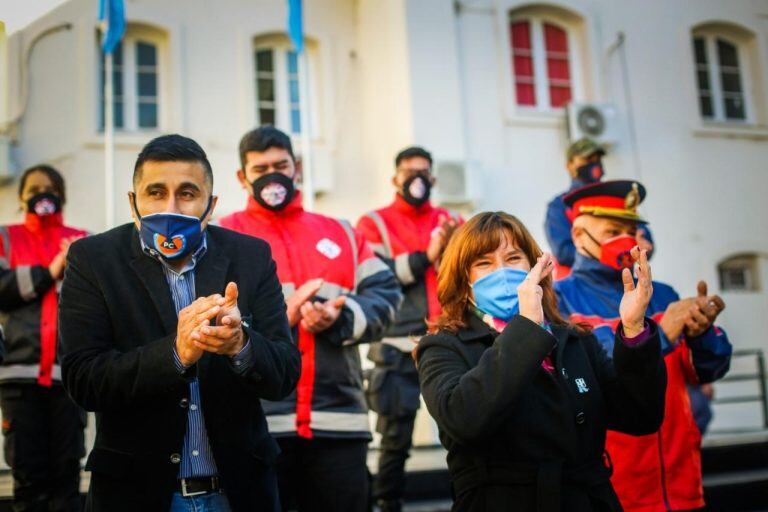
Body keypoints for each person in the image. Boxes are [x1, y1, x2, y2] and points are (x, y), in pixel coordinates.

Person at [58, 134, 301, 511]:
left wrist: (241, 344)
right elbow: (83, 381)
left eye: (187, 193)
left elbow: (284, 373)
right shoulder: (93, 260)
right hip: (136, 494)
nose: (170, 207)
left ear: (211, 204)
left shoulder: (249, 256)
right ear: (133, 201)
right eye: (155, 192)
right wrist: (175, 353)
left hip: (238, 492)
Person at [416, 211, 667, 512]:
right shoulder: (443, 346)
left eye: (512, 258)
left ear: (534, 266)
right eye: (484, 263)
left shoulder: (575, 339)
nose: (501, 272)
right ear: (463, 279)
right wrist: (528, 327)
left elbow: (641, 416)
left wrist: (634, 331)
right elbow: (465, 419)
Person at [219, 126, 401, 512]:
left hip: (339, 424)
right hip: (256, 425)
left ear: (296, 167)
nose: (273, 174)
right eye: (261, 167)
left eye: (281, 164)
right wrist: (274, 323)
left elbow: (387, 294)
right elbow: (209, 314)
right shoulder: (222, 236)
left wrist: (341, 318)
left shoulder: (342, 233)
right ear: (242, 176)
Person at [555, 180, 732, 511]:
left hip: (682, 487)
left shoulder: (663, 293)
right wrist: (659, 334)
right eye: (612, 230)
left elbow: (707, 371)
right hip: (612, 491)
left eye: (630, 230)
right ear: (579, 236)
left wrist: (702, 333)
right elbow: (589, 365)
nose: (625, 240)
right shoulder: (558, 298)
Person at [356, 146, 460, 512]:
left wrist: (448, 250)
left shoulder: (450, 219)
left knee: (462, 431)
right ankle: (388, 504)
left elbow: (465, 271)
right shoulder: (374, 222)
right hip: (396, 343)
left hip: (448, 339)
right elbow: (377, 275)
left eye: (423, 172)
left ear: (432, 178)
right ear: (395, 178)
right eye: (408, 171)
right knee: (395, 437)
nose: (416, 178)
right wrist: (427, 254)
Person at [0, 164, 88, 512]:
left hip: (68, 378)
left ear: (62, 195)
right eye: (34, 189)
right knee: (27, 475)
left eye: (50, 188)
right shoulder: (6, 237)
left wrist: (74, 263)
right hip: (18, 377)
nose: (42, 195)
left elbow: (94, 301)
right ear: (22, 197)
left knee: (67, 474)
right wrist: (49, 272)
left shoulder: (82, 238)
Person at [544, 138, 653, 278]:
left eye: (597, 159)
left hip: (623, 282)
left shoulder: (616, 198)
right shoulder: (559, 206)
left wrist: (642, 246)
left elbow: (644, 237)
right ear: (570, 165)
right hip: (580, 286)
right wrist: (607, 251)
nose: (594, 164)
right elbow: (563, 253)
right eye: (587, 159)